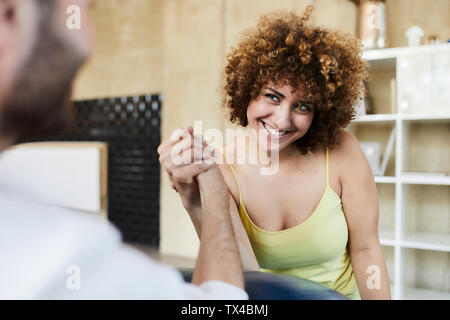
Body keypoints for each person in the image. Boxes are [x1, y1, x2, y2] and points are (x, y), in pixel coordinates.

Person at [0, 0, 247, 299]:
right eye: (84, 8)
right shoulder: (56, 252)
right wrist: (215, 192)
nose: (89, 45)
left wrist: (196, 201)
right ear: (10, 14)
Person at [160, 6, 391, 300]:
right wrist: (192, 196)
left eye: (303, 106)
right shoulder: (221, 168)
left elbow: (366, 249)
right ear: (247, 90)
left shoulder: (343, 151)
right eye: (273, 96)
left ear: (320, 111)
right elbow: (247, 273)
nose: (282, 120)